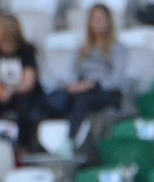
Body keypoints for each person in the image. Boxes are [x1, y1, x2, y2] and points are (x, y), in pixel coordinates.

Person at [44, 4, 126, 144]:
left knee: (83, 100)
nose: (98, 23)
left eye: (102, 19)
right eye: (95, 19)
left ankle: (70, 140)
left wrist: (93, 83)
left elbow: (117, 78)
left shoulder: (117, 48)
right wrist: (75, 85)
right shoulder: (82, 49)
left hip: (107, 91)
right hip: (83, 88)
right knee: (55, 98)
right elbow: (73, 72)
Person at [0, 13, 44, 154]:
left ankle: (24, 146)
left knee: (25, 106)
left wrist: (12, 91)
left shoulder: (26, 51)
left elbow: (29, 81)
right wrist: (0, 93)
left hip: (25, 93)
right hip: (4, 93)